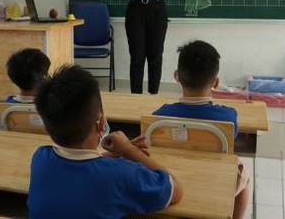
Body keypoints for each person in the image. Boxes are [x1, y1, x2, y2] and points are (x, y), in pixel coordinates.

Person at [28, 65, 183, 218]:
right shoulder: (122, 174)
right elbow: (175, 189)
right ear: (102, 123)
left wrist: (115, 154)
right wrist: (130, 151)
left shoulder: (40, 158)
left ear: (46, 128)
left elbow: (80, 169)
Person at [152, 40, 250, 219]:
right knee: (243, 171)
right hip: (212, 183)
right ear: (216, 82)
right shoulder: (228, 117)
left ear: (176, 76)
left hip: (172, 180)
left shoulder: (159, 116)